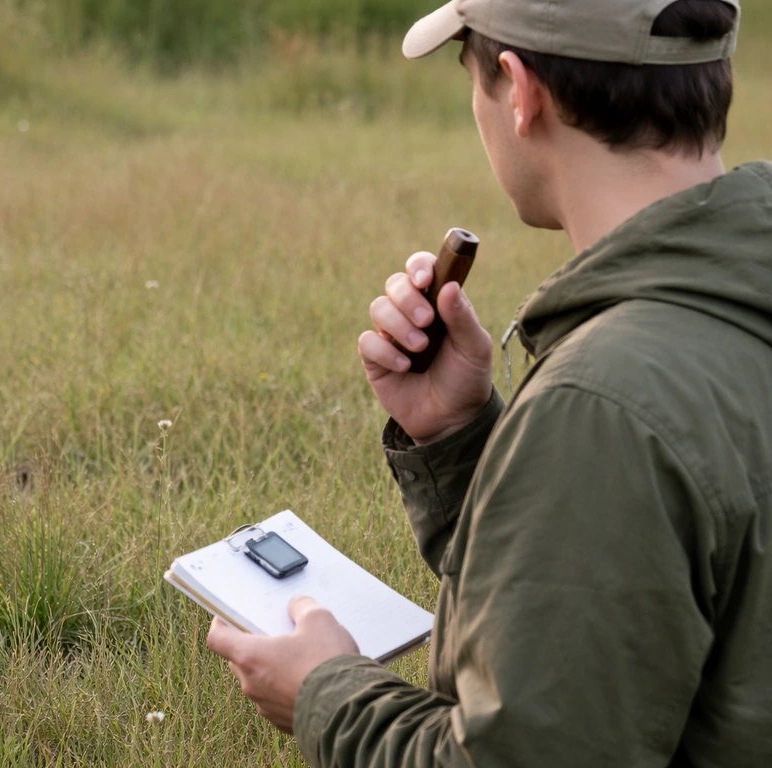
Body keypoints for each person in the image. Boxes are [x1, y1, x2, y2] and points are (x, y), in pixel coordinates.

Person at [207, 0, 772, 764]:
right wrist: (461, 437)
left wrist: (325, 693)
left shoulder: (606, 407)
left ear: (520, 90)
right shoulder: (723, 314)